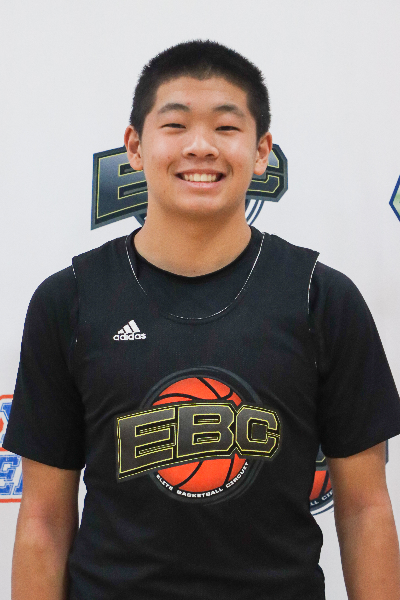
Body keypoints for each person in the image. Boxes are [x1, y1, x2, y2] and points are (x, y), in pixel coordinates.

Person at [4, 40, 400, 600]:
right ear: (135, 147)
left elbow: (365, 509)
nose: (200, 146)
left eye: (226, 127)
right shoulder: (68, 301)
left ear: (261, 152)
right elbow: (43, 520)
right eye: (175, 125)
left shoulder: (322, 299)